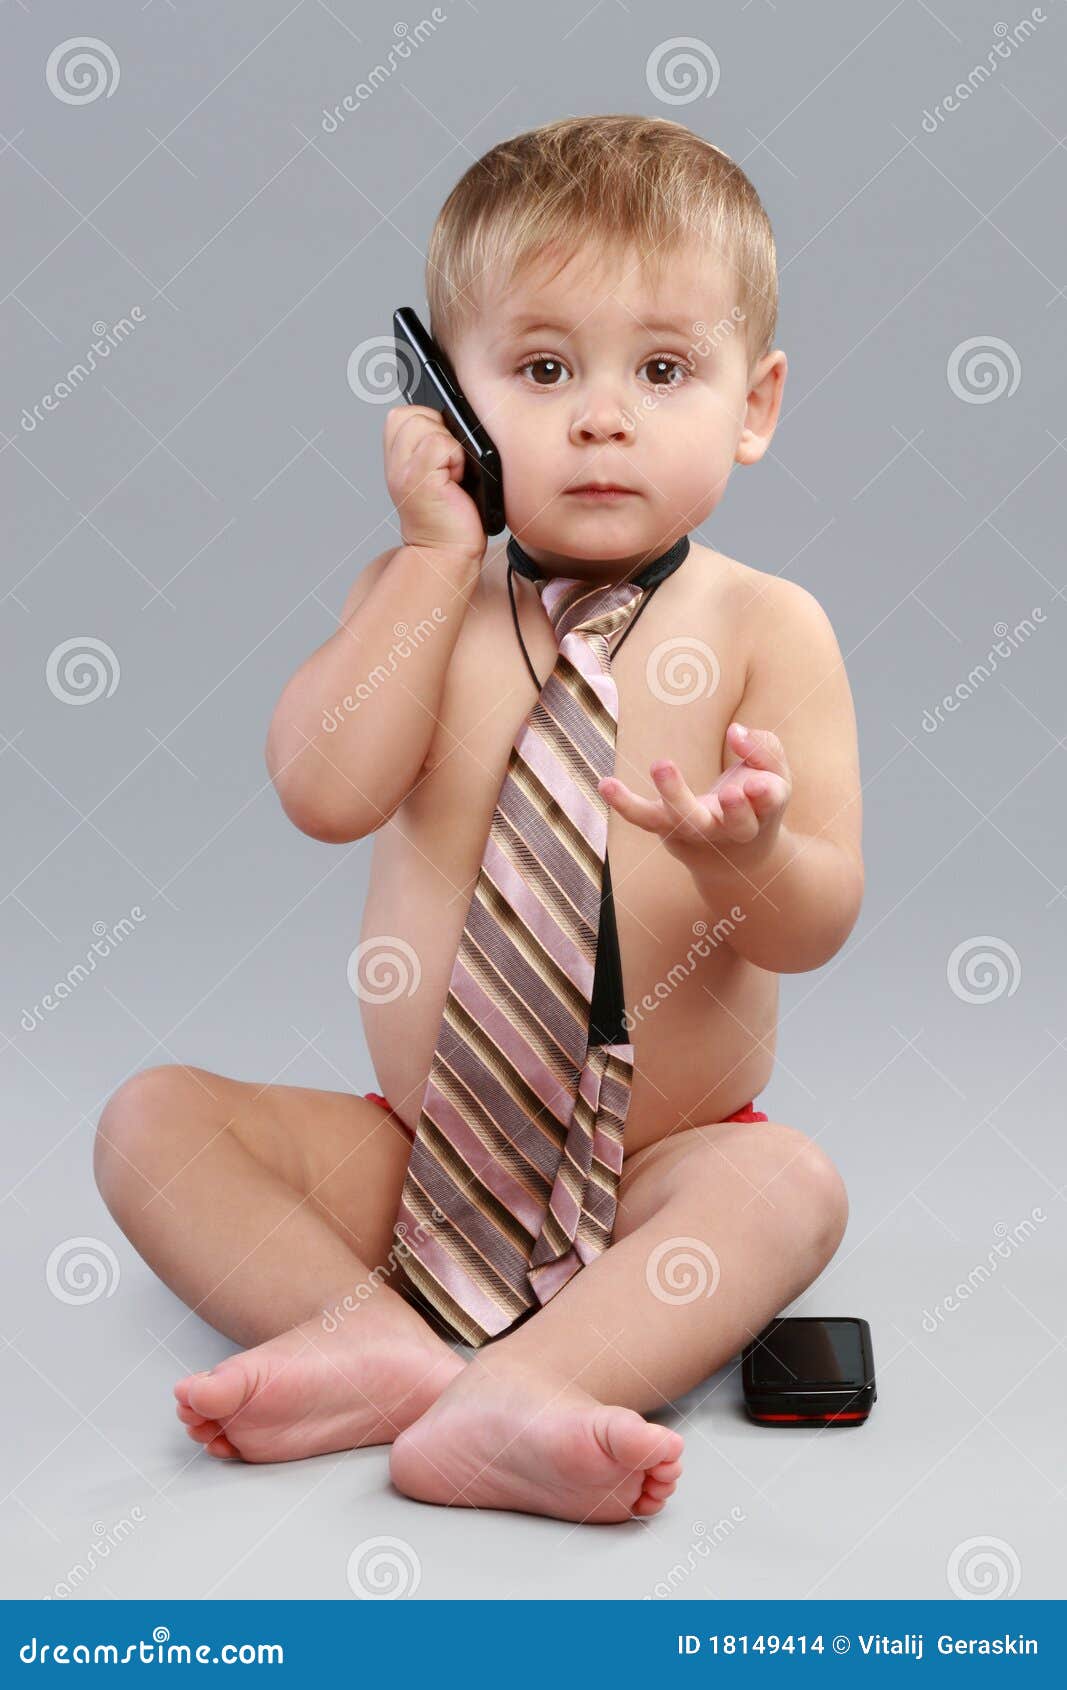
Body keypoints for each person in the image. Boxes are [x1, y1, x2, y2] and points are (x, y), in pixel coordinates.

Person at [94, 114, 862, 1526]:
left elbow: (818, 922)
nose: (600, 414)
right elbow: (322, 796)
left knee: (789, 1187)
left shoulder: (768, 628)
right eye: (544, 367)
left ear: (754, 406)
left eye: (664, 369)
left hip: (659, 1164)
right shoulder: (423, 603)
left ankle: (529, 1388)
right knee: (152, 1123)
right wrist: (433, 558)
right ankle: (366, 1333)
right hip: (425, 1156)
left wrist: (749, 854)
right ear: (448, 402)